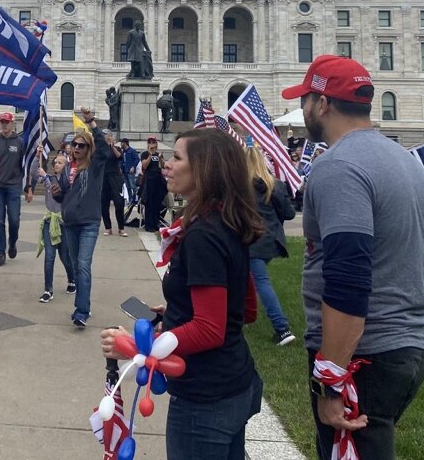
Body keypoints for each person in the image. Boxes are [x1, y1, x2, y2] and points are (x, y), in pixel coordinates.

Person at [281, 55, 424, 460]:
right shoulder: (406, 161)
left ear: (323, 104)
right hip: (406, 342)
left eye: (307, 100)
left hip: (363, 355)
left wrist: (331, 378)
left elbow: (348, 277)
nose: (304, 109)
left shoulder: (338, 166)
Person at [101, 128, 264, 460]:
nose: (167, 165)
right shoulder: (226, 221)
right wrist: (176, 310)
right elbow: (245, 309)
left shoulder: (203, 235)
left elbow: (209, 329)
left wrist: (135, 345)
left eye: (177, 157)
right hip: (235, 382)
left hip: (204, 398)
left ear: (204, 169)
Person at [50, 108, 112, 328]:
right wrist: (58, 193)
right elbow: (65, 196)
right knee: (76, 267)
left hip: (88, 223)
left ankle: (81, 311)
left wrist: (91, 122)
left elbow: (104, 149)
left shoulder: (95, 166)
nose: (76, 148)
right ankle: (83, 303)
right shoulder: (67, 169)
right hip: (70, 223)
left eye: (81, 145)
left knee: (84, 265)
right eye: (74, 145)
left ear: (88, 148)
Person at [244, 145, 297, 346]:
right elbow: (290, 213)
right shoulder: (275, 185)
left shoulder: (240, 187)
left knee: (260, 282)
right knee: (243, 279)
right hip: (270, 240)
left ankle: (282, 328)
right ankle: (240, 316)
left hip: (251, 241)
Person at [0, 112, 32, 266]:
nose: (4, 125)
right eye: (2, 122)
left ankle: (12, 243)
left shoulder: (20, 143)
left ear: (12, 124)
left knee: (14, 220)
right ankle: (1, 253)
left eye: (7, 122)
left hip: (13, 186)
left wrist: (28, 187)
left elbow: (25, 167)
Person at [36, 150, 75, 302]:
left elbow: (57, 191)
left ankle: (72, 280)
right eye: (55, 162)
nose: (56, 164)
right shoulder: (49, 178)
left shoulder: (69, 182)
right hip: (49, 221)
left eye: (60, 162)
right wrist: (36, 156)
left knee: (65, 256)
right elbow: (35, 172)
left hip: (64, 223)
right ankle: (48, 290)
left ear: (66, 166)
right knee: (49, 256)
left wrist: (46, 177)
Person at [141, 137, 167, 233]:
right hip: (149, 180)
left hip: (158, 180)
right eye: (150, 142)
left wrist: (160, 158)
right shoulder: (145, 154)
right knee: (149, 203)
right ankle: (148, 225)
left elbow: (163, 166)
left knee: (157, 203)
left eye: (153, 142)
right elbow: (144, 166)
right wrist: (150, 155)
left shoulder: (158, 154)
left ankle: (156, 223)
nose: (152, 144)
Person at [120, 138, 140, 206]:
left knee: (133, 186)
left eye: (122, 143)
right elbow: (121, 161)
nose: (121, 144)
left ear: (125, 143)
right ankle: (131, 199)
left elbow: (137, 159)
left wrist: (133, 166)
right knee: (128, 187)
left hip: (130, 171)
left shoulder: (132, 151)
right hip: (124, 171)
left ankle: (136, 199)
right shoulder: (123, 152)